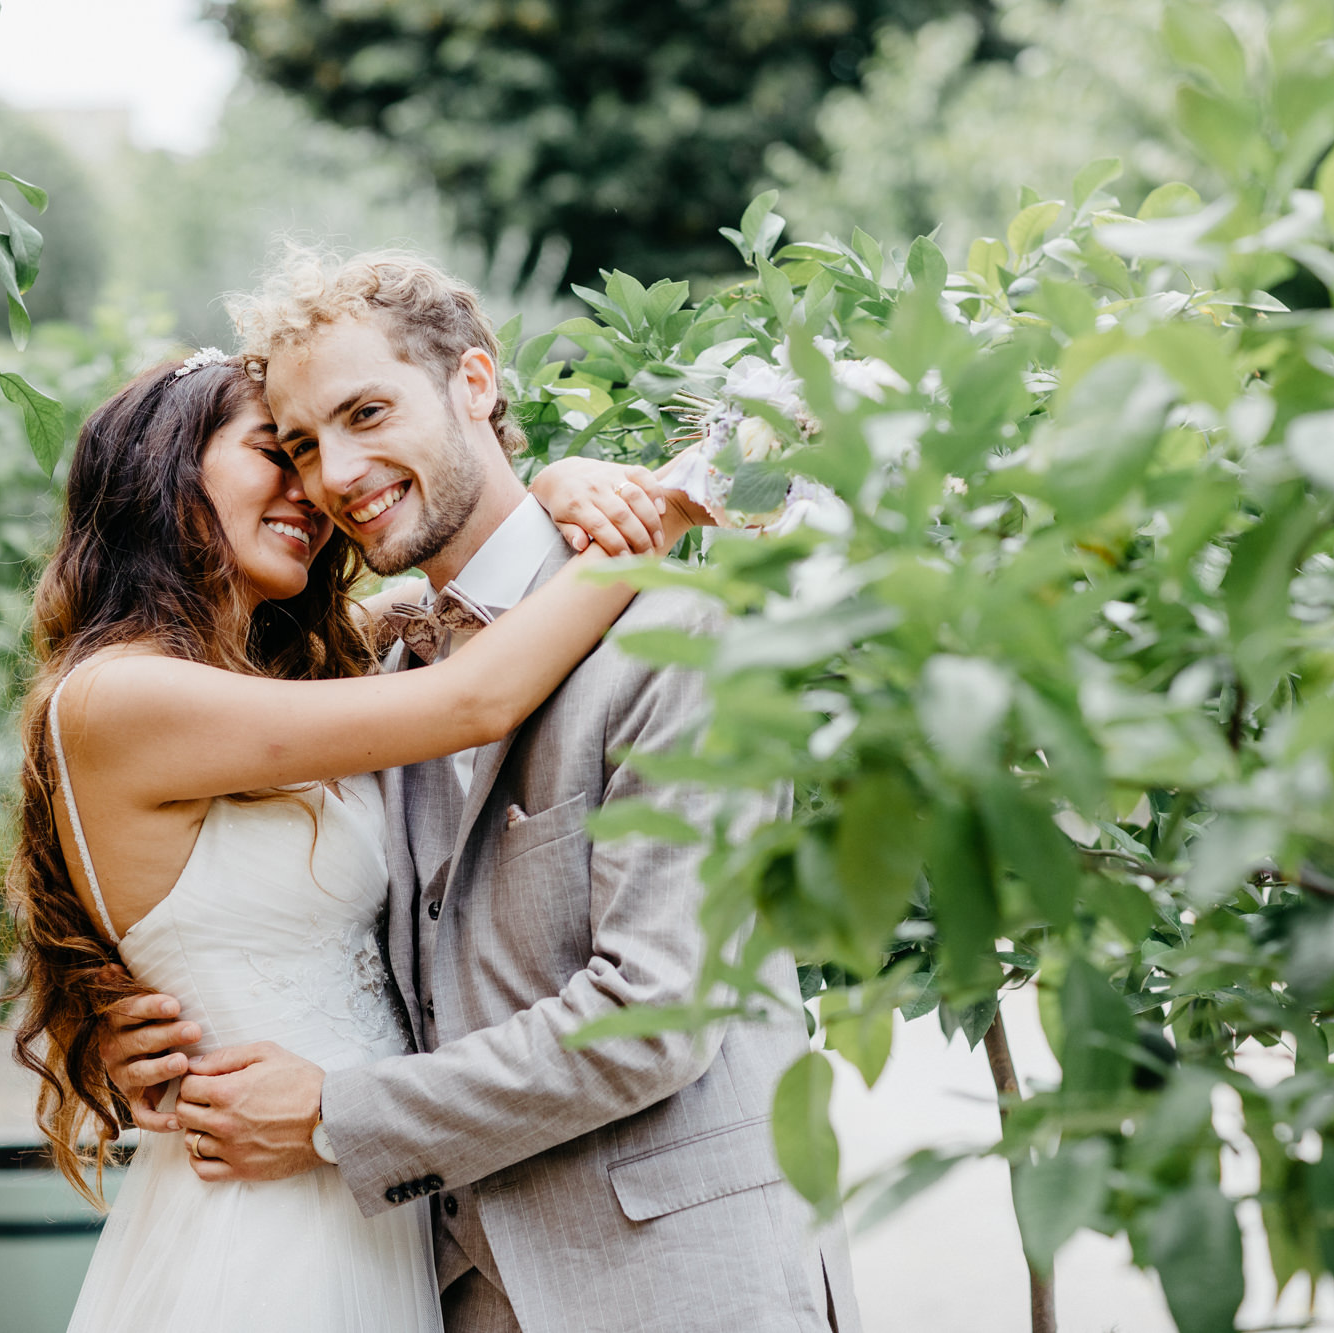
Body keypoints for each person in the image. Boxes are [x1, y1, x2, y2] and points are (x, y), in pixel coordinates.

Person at [100, 254, 860, 1333]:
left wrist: (329, 1114)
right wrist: (144, 1033)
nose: (335, 475)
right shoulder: (389, 681)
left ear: (474, 384)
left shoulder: (676, 625)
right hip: (444, 1288)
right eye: (304, 443)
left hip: (682, 1286)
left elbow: (653, 1017)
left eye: (368, 412)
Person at [3, 345, 700, 1333]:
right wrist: (644, 532)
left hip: (369, 1193)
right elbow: (475, 694)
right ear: (166, 466)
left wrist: (560, 485)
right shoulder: (122, 694)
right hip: (266, 1218)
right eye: (274, 451)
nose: (318, 486)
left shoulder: (274, 679)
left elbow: (471, 601)